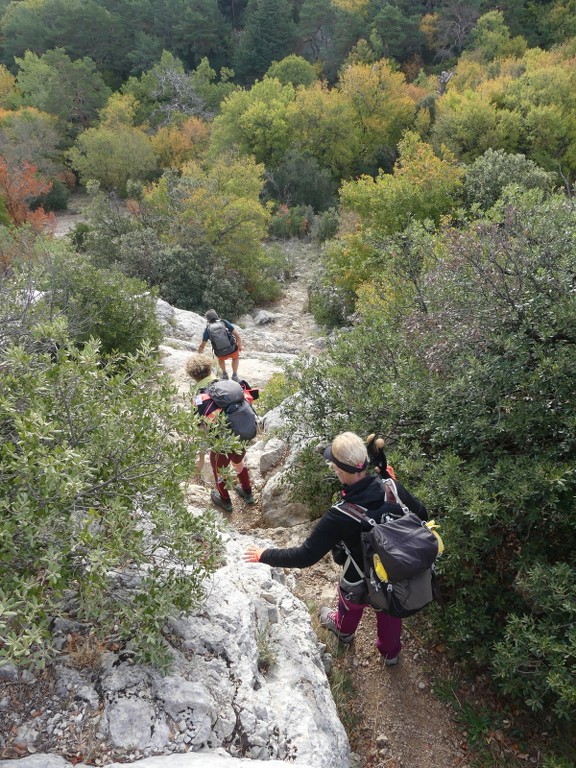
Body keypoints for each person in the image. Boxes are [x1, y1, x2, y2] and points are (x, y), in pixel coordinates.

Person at [244, 431, 427, 665]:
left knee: (351, 598)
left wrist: (264, 555)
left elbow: (305, 556)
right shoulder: (391, 488)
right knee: (390, 606)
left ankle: (343, 630)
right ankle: (390, 653)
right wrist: (394, 485)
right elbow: (421, 514)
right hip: (396, 568)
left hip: (359, 573)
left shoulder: (339, 515)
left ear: (337, 470)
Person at [186, 352, 255, 513]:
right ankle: (248, 493)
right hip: (242, 433)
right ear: (210, 368)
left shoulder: (200, 398)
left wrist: (201, 453)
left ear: (193, 376)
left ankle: (225, 501)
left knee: (219, 471)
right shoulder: (227, 384)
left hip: (222, 443)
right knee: (239, 462)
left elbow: (200, 427)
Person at [198, 309, 243, 382]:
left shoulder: (208, 329)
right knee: (235, 357)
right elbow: (237, 335)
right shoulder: (224, 322)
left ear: (207, 319)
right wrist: (240, 345)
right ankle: (234, 375)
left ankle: (224, 374)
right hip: (232, 350)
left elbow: (202, 346)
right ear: (216, 316)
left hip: (220, 353)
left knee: (220, 359)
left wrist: (199, 356)